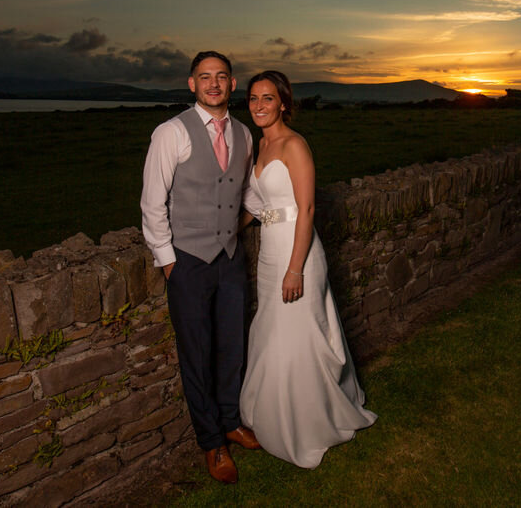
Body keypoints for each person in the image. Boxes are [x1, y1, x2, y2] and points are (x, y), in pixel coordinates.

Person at [239, 70, 377, 468]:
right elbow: (255, 205)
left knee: (300, 333)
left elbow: (307, 209)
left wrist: (295, 268)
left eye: (267, 98)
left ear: (283, 103)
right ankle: (272, 414)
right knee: (271, 330)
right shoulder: (260, 146)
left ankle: (308, 421)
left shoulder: (295, 145)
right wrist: (221, 236)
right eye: (253, 99)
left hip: (297, 254)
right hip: (269, 254)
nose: (259, 106)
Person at [140, 51, 264, 484]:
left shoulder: (245, 135)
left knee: (233, 346)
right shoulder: (171, 133)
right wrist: (170, 263)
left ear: (233, 84)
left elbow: (245, 193)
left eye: (222, 77)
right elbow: (152, 205)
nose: (214, 84)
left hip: (230, 260)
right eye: (205, 77)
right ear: (191, 84)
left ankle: (231, 420)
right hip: (188, 263)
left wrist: (250, 219)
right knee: (197, 355)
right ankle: (212, 443)